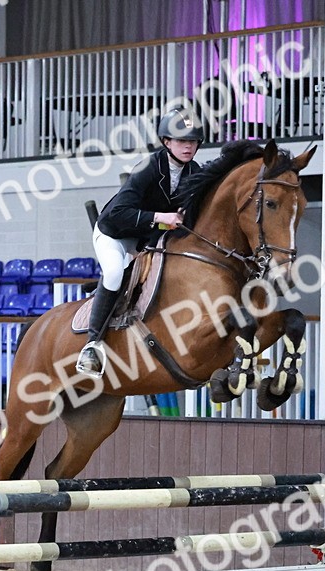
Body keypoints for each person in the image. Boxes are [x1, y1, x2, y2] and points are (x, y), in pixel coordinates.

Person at [75, 108, 204, 375]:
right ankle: (92, 345)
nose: (188, 146)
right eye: (182, 140)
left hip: (146, 239)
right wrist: (161, 217)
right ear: (166, 142)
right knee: (114, 272)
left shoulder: (194, 171)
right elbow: (120, 213)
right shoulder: (148, 168)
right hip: (114, 234)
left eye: (193, 141)